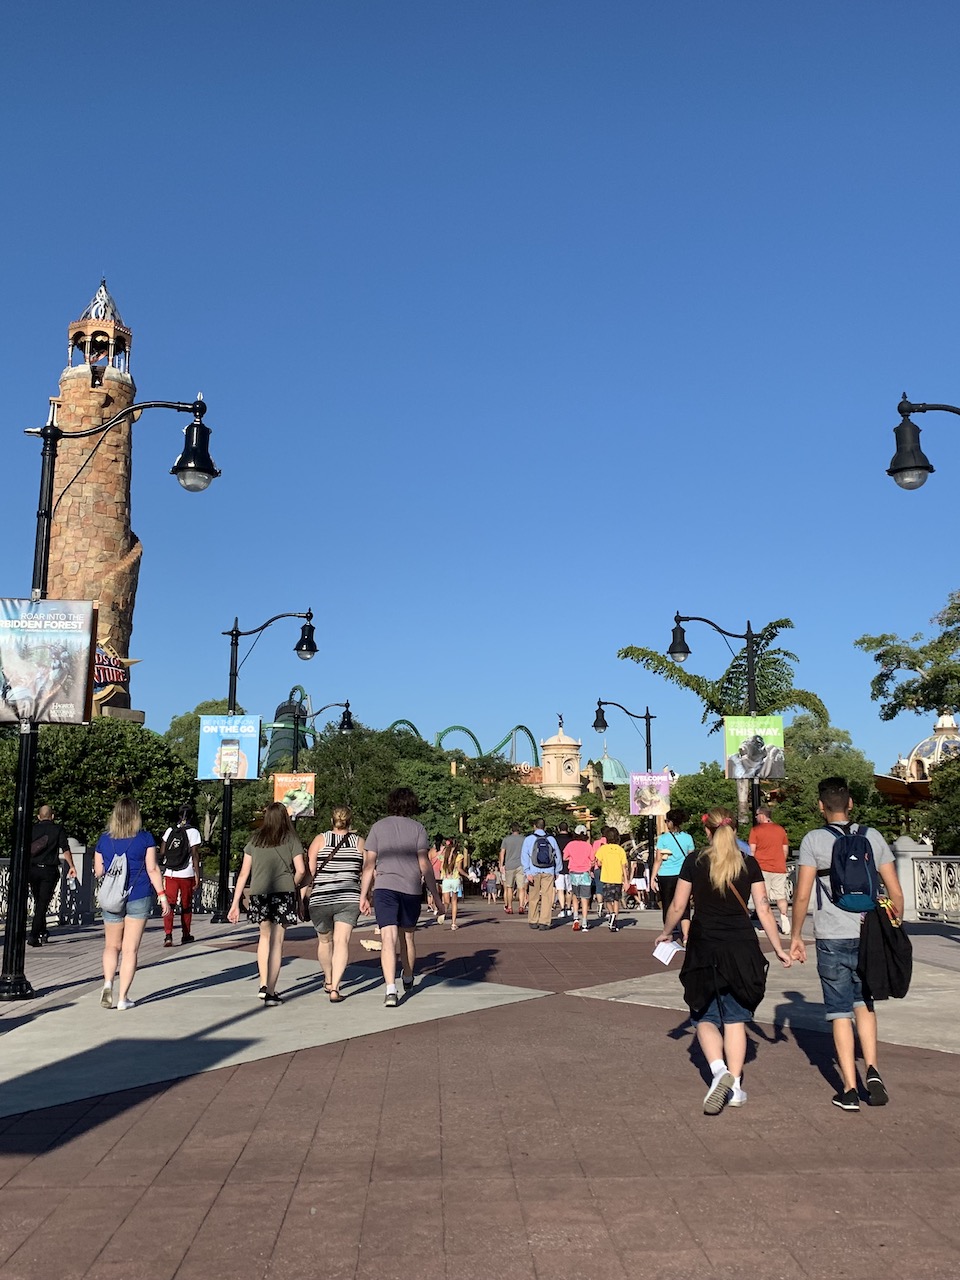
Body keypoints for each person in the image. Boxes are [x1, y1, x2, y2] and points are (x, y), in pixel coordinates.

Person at [655, 807, 791, 1114]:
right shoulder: (749, 863)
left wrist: (666, 932)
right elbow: (764, 909)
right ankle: (737, 1087)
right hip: (742, 946)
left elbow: (678, 904)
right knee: (735, 1018)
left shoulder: (695, 861)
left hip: (705, 945)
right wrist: (778, 948)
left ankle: (719, 1072)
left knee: (703, 1016)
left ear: (707, 832)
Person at [790, 777, 904, 1112]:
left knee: (839, 1011)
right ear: (850, 803)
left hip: (831, 936)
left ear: (820, 806)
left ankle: (849, 1089)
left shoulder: (813, 840)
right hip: (868, 935)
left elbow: (801, 895)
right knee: (864, 1002)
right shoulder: (873, 836)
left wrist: (796, 935)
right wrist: (893, 927)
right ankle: (872, 1069)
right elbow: (895, 893)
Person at [361, 788, 442, 1006]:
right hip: (411, 888)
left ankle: (390, 989)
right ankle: (407, 975)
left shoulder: (378, 827)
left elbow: (369, 865)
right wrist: (436, 896)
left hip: (385, 888)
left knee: (388, 937)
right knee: (407, 937)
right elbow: (424, 864)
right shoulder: (418, 829)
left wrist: (363, 895)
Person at [227, 802, 307, 1006]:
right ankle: (271, 990)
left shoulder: (255, 839)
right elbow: (301, 870)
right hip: (283, 893)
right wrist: (293, 884)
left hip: (260, 893)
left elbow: (244, 872)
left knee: (264, 937)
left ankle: (263, 983)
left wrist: (235, 903)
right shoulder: (290, 839)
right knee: (277, 942)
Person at [94, 798, 165, 1010]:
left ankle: (108, 983)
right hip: (139, 894)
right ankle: (123, 998)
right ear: (136, 816)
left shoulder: (104, 840)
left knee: (111, 946)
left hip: (112, 898)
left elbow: (99, 871)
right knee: (130, 949)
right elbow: (152, 869)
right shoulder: (145, 838)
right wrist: (162, 895)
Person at [305, 805, 364, 1003]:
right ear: (350, 821)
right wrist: (366, 895)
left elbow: (310, 871)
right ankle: (336, 988)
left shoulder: (319, 840)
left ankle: (328, 979)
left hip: (321, 897)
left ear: (332, 820)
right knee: (342, 942)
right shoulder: (359, 842)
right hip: (348, 897)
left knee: (324, 941)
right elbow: (365, 871)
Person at [28, 804, 76, 947]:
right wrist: (72, 866)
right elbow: (65, 848)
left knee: (39, 902)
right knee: (42, 903)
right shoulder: (57, 829)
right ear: (53, 816)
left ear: (38, 817)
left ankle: (42, 931)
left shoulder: (32, 829)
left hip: (33, 869)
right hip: (49, 870)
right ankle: (34, 935)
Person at [159, 805, 202, 947]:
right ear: (191, 817)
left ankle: (168, 935)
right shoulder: (193, 832)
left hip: (170, 873)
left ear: (178, 816)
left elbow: (163, 851)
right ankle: (186, 935)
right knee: (186, 905)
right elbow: (195, 854)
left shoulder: (170, 830)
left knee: (169, 904)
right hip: (187, 873)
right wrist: (197, 874)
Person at [651, 809, 694, 946]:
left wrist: (652, 877)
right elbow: (691, 858)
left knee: (668, 904)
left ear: (670, 822)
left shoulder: (663, 839)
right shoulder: (688, 838)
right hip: (683, 875)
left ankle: (668, 932)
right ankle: (686, 935)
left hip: (666, 875)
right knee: (685, 905)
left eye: (666, 821)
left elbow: (658, 860)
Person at [748, 806, 791, 935]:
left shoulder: (755, 830)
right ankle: (784, 918)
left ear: (762, 815)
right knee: (781, 896)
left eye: (756, 815)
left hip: (762, 867)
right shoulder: (780, 830)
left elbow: (752, 851)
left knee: (762, 897)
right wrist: (780, 862)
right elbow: (785, 850)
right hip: (779, 867)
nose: (755, 817)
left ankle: (764, 924)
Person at [520, 821, 561, 930]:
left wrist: (527, 872)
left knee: (534, 896)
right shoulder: (551, 839)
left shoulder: (528, 839)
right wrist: (557, 871)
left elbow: (524, 856)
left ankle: (533, 920)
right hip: (548, 871)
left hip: (534, 871)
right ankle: (544, 921)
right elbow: (557, 856)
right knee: (547, 897)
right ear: (545, 827)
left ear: (534, 826)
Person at [594, 827, 630, 932]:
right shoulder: (620, 850)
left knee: (607, 900)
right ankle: (615, 919)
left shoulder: (603, 849)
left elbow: (599, 862)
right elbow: (624, 866)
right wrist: (626, 880)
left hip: (606, 877)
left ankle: (611, 914)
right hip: (617, 878)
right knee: (616, 899)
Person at [564, 827, 596, 932]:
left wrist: (572, 859)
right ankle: (585, 922)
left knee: (575, 896)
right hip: (585, 874)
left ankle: (576, 918)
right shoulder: (588, 846)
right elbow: (592, 859)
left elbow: (564, 857)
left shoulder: (570, 845)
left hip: (573, 872)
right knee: (585, 898)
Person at [439, 837, 468, 929]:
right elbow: (459, 869)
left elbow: (440, 868)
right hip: (455, 879)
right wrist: (467, 875)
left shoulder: (444, 855)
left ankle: (444, 912)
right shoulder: (458, 856)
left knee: (446, 901)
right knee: (454, 901)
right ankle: (453, 923)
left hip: (446, 880)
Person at [499, 823, 526, 914]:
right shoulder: (523, 839)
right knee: (521, 887)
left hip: (509, 865)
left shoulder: (506, 839)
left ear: (511, 830)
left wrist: (501, 865)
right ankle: (521, 906)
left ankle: (509, 907)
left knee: (509, 887)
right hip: (521, 865)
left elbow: (502, 853)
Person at [553, 821, 575, 919]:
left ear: (558, 829)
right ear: (568, 828)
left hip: (558, 867)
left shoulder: (555, 839)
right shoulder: (572, 840)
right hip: (570, 867)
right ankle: (569, 908)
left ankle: (562, 909)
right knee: (569, 889)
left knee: (560, 889)